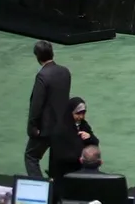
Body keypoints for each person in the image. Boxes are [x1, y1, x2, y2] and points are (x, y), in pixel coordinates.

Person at [25, 41, 71, 178]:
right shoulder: (65, 72)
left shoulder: (42, 76)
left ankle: (39, 185)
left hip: (46, 128)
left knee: (31, 157)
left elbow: (36, 104)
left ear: (37, 56)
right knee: (56, 158)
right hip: (62, 125)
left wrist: (33, 128)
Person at [53, 97, 98, 178]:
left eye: (83, 113)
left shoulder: (84, 125)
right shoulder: (60, 129)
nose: (81, 117)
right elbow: (60, 155)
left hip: (82, 170)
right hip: (65, 173)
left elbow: (95, 143)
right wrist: (82, 157)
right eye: (78, 114)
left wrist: (89, 137)